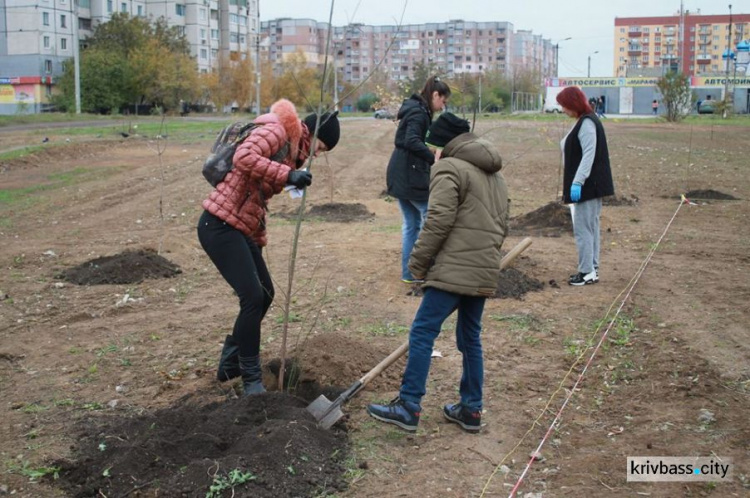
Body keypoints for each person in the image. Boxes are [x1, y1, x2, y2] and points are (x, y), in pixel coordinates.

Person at [367, 113, 509, 433]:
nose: (433, 153)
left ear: (442, 145)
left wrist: (416, 265)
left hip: (453, 270)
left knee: (422, 331)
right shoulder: (495, 176)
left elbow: (437, 221)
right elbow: (503, 225)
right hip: (483, 269)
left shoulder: (448, 168)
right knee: (469, 337)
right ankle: (471, 409)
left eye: (434, 146)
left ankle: (408, 405)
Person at [198, 99, 340, 396]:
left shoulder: (290, 153)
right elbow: (244, 157)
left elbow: (256, 203)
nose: (317, 154)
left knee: (265, 293)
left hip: (238, 227)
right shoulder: (277, 131)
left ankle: (230, 364)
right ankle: (251, 380)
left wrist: (258, 245)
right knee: (252, 297)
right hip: (219, 225)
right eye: (321, 147)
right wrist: (288, 175)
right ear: (311, 134)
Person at [385, 76, 452, 284]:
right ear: (435, 95)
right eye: (443, 101)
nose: (443, 106)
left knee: (411, 223)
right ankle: (421, 270)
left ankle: (410, 273)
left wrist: (431, 149)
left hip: (401, 172)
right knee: (428, 219)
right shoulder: (418, 113)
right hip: (409, 175)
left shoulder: (415, 109)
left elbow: (412, 140)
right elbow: (411, 140)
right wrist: (433, 157)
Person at [555, 86, 614, 286]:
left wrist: (578, 182)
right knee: (590, 227)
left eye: (564, 105)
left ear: (573, 104)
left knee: (583, 229)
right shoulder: (583, 121)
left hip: (588, 186)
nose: (562, 109)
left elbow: (589, 155)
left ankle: (586, 271)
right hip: (590, 185)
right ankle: (591, 269)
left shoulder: (587, 124)